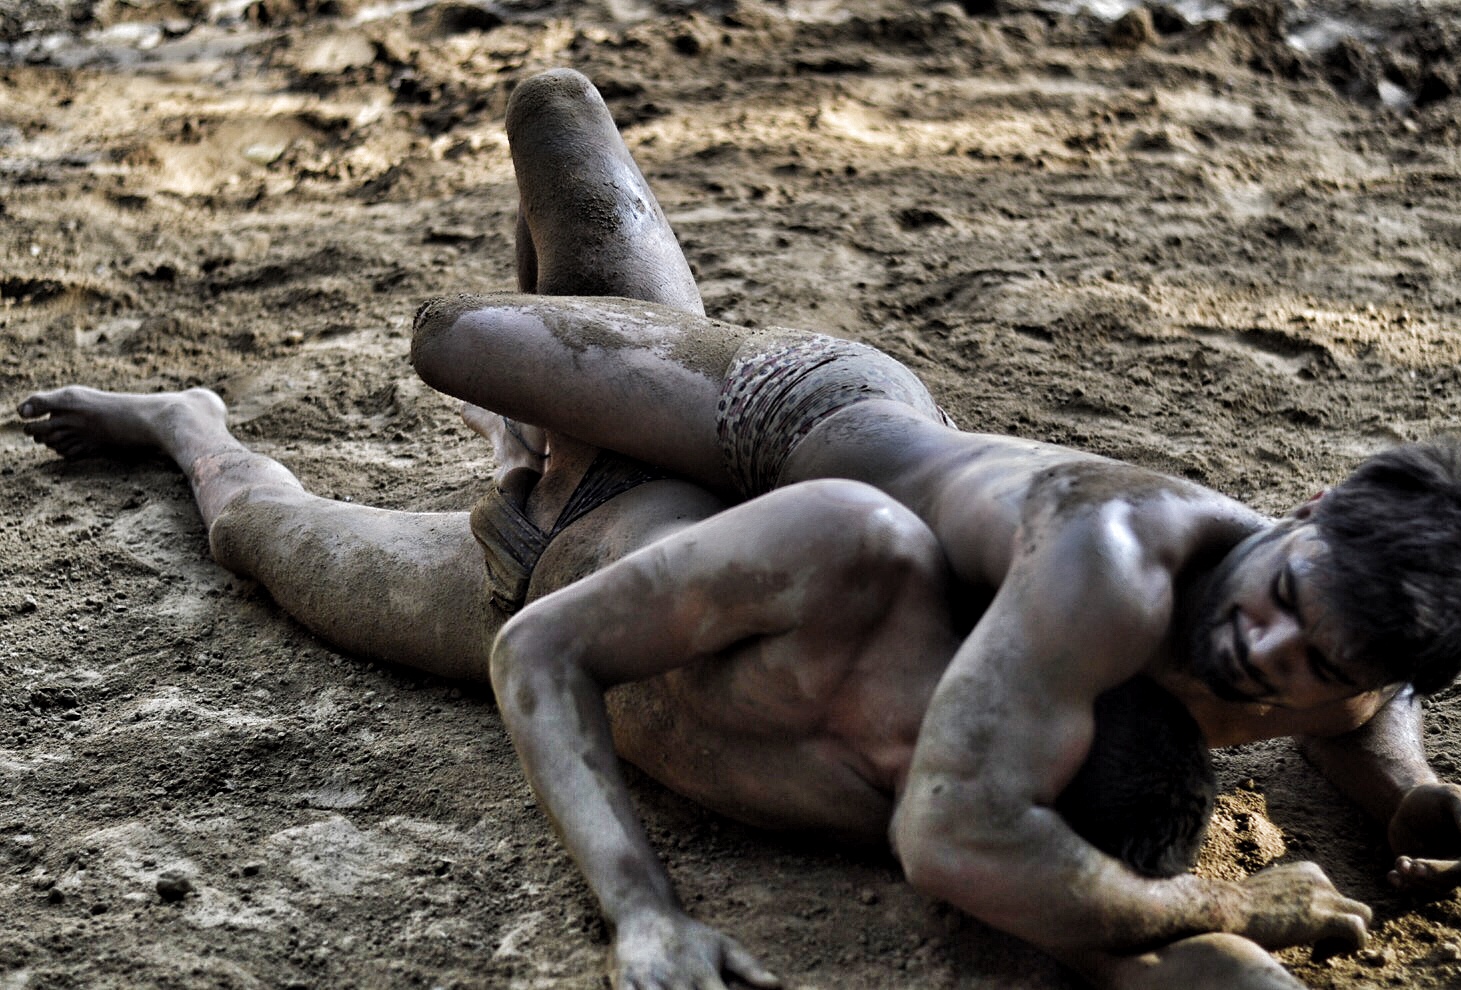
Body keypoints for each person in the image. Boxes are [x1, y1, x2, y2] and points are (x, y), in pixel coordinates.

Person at [16, 65, 1220, 990]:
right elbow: (540, 659)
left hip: (510, 591)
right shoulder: (859, 559)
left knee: (250, 531)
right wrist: (641, 910)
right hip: (620, 479)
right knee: (555, 108)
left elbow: (1163, 947)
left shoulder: (977, 830)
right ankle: (523, 409)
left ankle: (186, 420)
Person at [407, 68, 1461, 988]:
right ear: (1307, 511)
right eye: (1283, 596)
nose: (1265, 648)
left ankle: (550, 470)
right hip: (803, 421)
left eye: (1316, 660)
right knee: (452, 338)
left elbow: (1369, 706)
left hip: (788, 569)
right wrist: (1235, 907)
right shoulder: (1110, 559)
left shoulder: (1352, 654)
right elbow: (956, 836)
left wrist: (1410, 791)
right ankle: (524, 448)